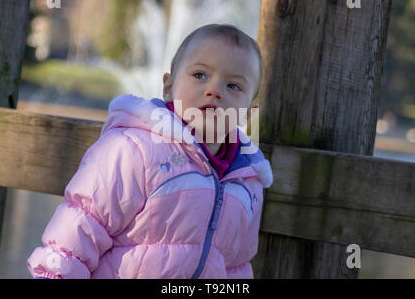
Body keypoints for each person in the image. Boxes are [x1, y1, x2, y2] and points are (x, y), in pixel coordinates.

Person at [27, 24, 273, 279]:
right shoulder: (134, 150)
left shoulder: (247, 182)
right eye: (200, 75)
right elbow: (77, 231)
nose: (214, 90)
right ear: (168, 86)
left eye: (233, 86)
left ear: (247, 114)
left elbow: (235, 266)